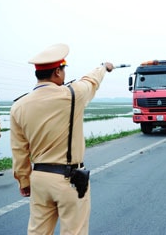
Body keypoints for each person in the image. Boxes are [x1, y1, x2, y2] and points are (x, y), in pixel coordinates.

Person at [10, 43, 113, 235]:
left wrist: (24, 181)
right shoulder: (72, 94)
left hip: (39, 179)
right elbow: (90, 80)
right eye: (63, 69)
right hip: (70, 179)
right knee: (74, 231)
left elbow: (19, 150)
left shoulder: (19, 106)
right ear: (57, 71)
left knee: (37, 232)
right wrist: (103, 67)